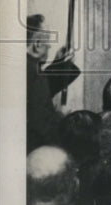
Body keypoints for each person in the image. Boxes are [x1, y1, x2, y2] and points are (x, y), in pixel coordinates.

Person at [26, 14, 80, 152]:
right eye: (47, 40)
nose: (50, 46)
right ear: (37, 44)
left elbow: (36, 95)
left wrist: (59, 64)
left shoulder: (25, 67)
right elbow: (43, 127)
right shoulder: (34, 73)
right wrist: (61, 116)